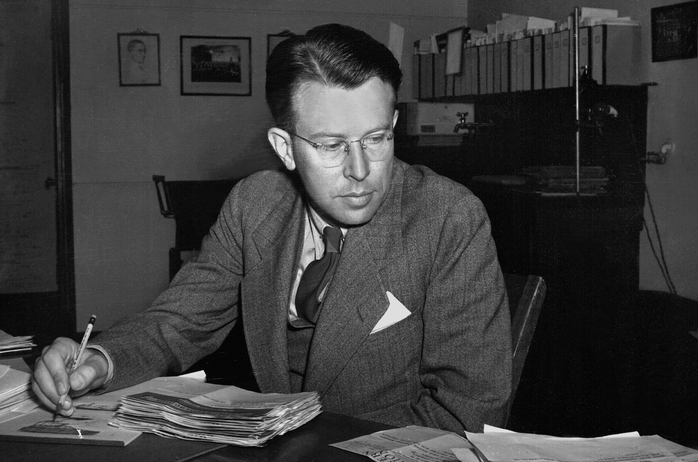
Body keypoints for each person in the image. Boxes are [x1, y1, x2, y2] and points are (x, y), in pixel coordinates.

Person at [32, 23, 512, 434]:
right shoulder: (254, 204)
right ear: (285, 148)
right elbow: (179, 323)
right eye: (331, 145)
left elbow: (469, 408)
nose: (362, 170)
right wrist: (100, 360)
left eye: (377, 138)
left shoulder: (448, 218)